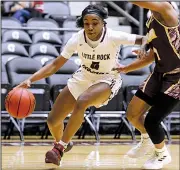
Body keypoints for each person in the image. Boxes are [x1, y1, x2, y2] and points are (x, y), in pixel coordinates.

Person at [15, 4, 145, 166]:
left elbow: (144, 38)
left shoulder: (113, 36)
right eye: (86, 22)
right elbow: (56, 64)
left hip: (107, 78)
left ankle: (59, 148)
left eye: (95, 22)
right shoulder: (77, 38)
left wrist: (144, 47)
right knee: (53, 120)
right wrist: (31, 79)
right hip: (83, 77)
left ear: (103, 23)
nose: (90, 27)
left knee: (82, 101)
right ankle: (64, 142)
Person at [114, 2, 180, 169]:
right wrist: (127, 67)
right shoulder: (151, 19)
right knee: (132, 114)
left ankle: (162, 155)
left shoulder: (166, 8)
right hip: (159, 73)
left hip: (177, 76)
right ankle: (146, 141)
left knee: (152, 120)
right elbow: (151, 55)